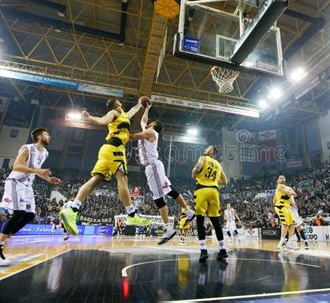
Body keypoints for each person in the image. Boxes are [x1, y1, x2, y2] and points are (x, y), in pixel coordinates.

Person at [60, 98, 149, 235]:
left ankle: (72, 209)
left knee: (95, 180)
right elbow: (103, 120)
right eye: (120, 103)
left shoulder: (123, 115)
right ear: (117, 104)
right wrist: (90, 118)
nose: (122, 104)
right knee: (122, 179)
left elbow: (133, 111)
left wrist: (140, 103)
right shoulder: (114, 113)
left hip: (106, 150)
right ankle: (132, 215)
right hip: (115, 149)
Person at [0, 128, 62, 266]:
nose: (49, 136)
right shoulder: (27, 148)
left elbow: (36, 170)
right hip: (16, 182)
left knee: (30, 215)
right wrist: (37, 171)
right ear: (39, 136)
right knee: (19, 212)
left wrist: (48, 179)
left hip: (27, 186)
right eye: (46, 134)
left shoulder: (45, 153)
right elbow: (17, 166)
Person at [129, 103, 195, 245]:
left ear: (153, 125)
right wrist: (146, 108)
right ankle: (188, 211)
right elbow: (142, 121)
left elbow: (133, 136)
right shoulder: (149, 132)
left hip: (153, 167)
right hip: (154, 167)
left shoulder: (150, 132)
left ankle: (168, 229)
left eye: (150, 123)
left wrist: (119, 133)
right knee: (169, 191)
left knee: (159, 199)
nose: (147, 123)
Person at [192, 146, 228, 262]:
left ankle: (203, 250)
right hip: (214, 192)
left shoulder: (203, 158)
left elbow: (197, 168)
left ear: (212, 151)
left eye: (208, 148)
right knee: (215, 221)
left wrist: (194, 173)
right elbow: (225, 181)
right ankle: (222, 250)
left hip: (202, 190)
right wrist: (213, 181)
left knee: (200, 220)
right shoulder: (218, 164)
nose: (206, 149)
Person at [273, 175, 298, 250]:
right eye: (280, 178)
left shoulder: (288, 187)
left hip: (287, 207)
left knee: (292, 223)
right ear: (278, 180)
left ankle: (290, 243)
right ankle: (281, 243)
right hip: (280, 206)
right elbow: (290, 193)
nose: (281, 179)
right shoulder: (279, 186)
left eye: (283, 178)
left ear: (285, 179)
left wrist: (294, 204)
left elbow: (295, 194)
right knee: (285, 224)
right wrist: (290, 192)